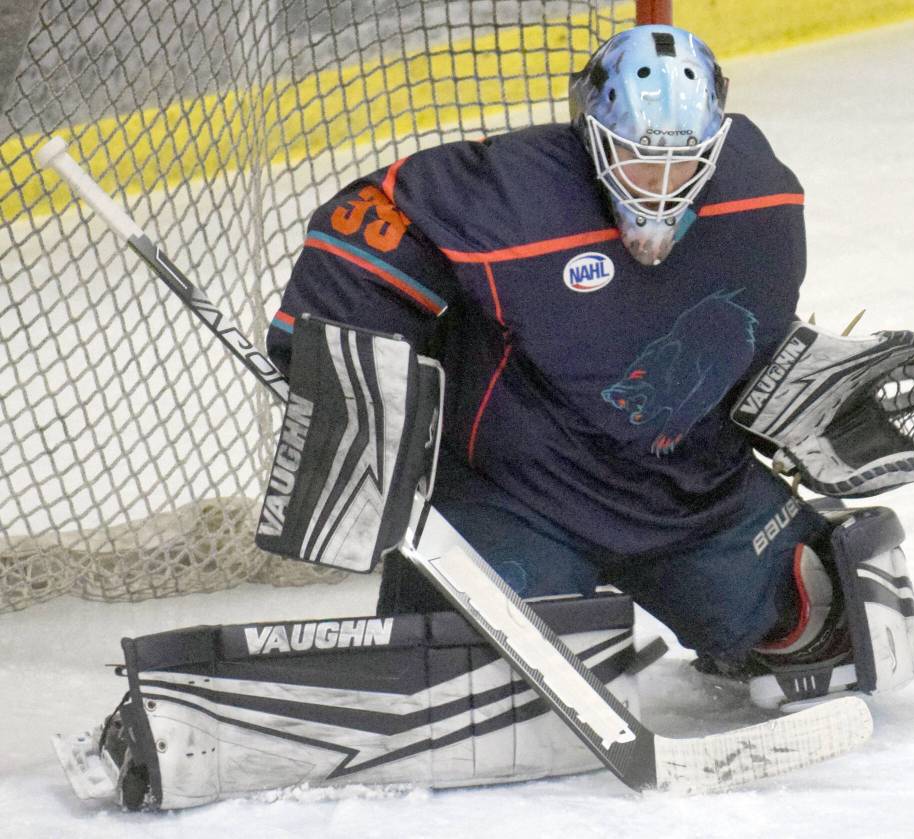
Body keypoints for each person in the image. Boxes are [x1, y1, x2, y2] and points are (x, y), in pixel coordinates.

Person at [266, 24, 877, 704]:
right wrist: (346, 374)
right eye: (641, 159)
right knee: (460, 679)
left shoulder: (762, 197)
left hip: (688, 492)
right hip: (524, 495)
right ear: (591, 134)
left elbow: (751, 335)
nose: (662, 185)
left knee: (831, 615)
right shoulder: (516, 196)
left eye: (685, 162)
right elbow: (365, 220)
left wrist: (814, 399)